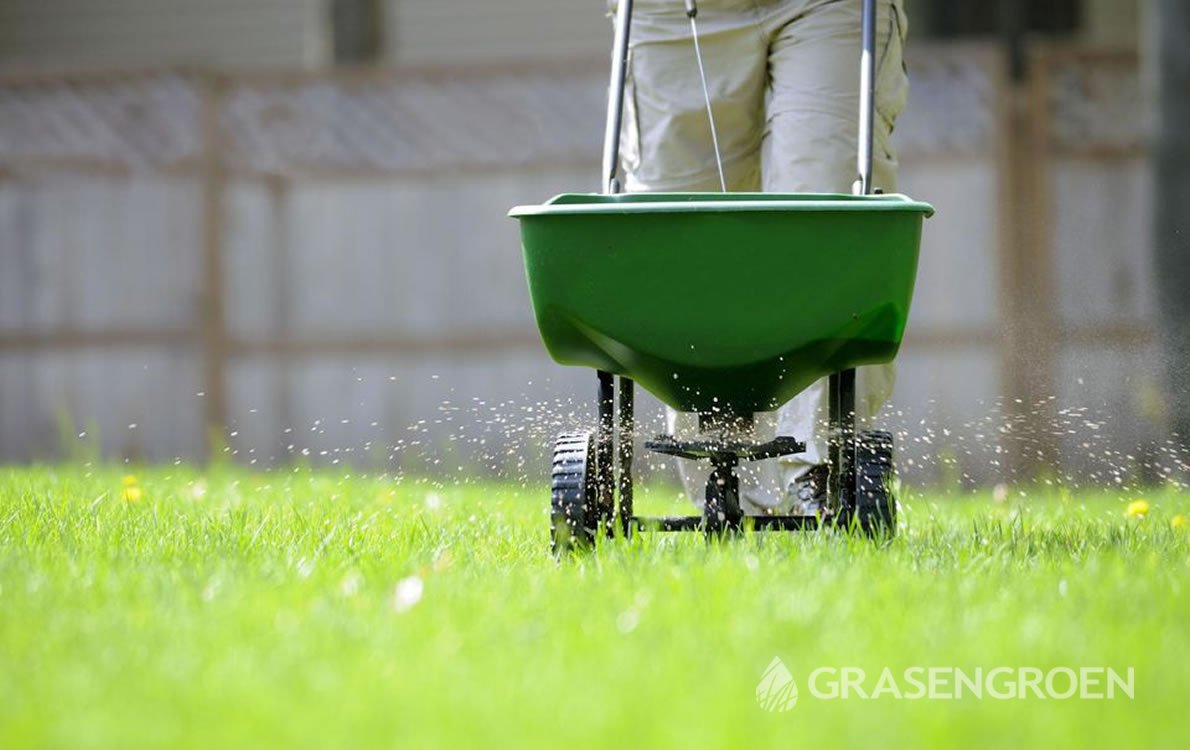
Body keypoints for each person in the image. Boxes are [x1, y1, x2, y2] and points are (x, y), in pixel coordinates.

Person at [611, 0, 909, 514]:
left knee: (825, 201)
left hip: (827, 8)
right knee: (680, 234)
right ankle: (725, 485)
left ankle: (820, 474)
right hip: (675, 10)